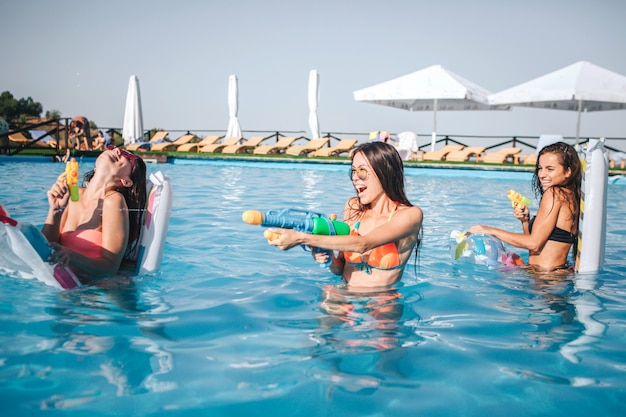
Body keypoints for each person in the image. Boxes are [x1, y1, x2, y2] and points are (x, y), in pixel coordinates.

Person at [268, 141, 423, 288]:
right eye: (353, 171)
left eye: (362, 171)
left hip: (382, 302)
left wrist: (300, 237)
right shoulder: (354, 207)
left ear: (385, 172)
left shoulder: (410, 215)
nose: (355, 178)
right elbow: (340, 268)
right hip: (343, 292)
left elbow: (363, 244)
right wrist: (329, 258)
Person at [469, 142, 582, 272]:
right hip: (551, 277)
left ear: (568, 171)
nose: (542, 174)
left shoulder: (555, 193)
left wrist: (489, 230)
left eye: (550, 169)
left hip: (545, 280)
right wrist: (525, 221)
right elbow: (538, 247)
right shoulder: (570, 197)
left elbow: (534, 244)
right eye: (540, 168)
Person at [42, 146, 147, 283]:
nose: (117, 151)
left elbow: (110, 269)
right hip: (61, 283)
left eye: (127, 156)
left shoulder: (113, 201)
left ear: (126, 181)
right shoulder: (73, 194)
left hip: (92, 291)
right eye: (114, 148)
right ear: (96, 170)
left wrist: (71, 256)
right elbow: (45, 246)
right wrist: (55, 211)